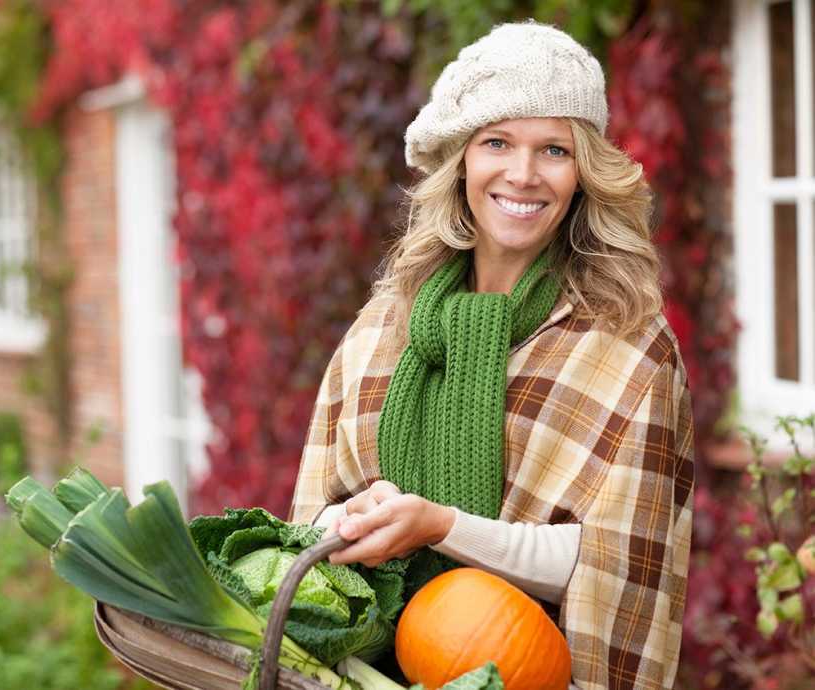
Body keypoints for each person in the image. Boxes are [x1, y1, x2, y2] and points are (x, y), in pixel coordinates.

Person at [289, 19, 694, 690]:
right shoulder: (383, 325)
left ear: (584, 172)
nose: (523, 174)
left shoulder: (627, 340)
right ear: (462, 162)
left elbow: (607, 565)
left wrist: (439, 527)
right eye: (497, 142)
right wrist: (352, 519)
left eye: (554, 150)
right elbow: (316, 513)